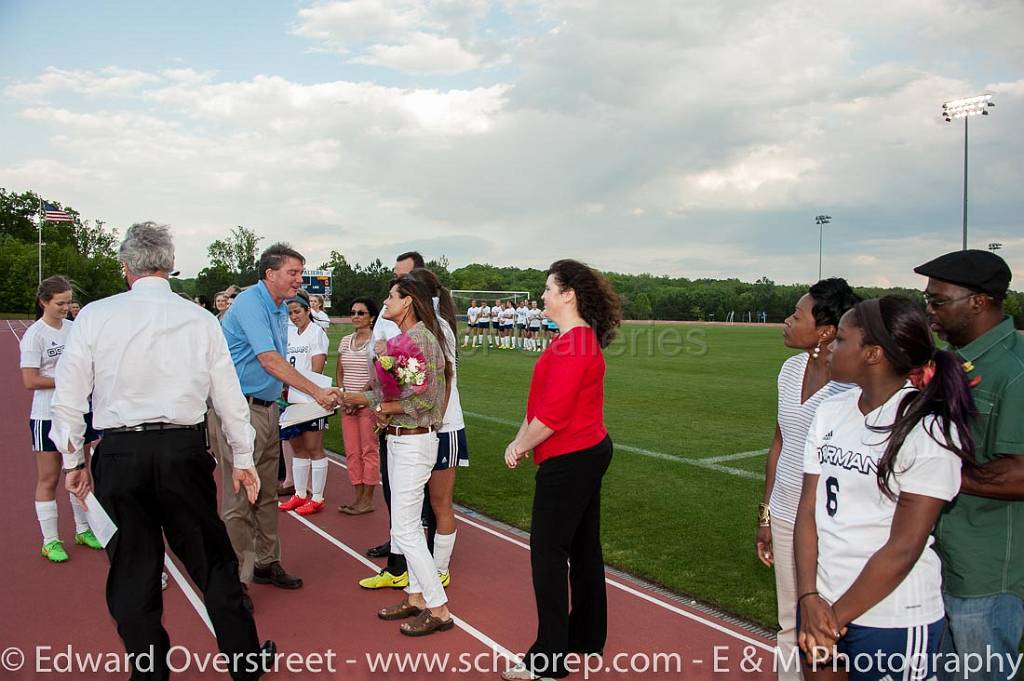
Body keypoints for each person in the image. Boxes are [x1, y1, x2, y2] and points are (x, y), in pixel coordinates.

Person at [50, 222, 274, 680]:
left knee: (133, 567)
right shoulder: (200, 319)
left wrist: (73, 461)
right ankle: (245, 662)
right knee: (212, 560)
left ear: (125, 268)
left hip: (118, 452)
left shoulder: (94, 315)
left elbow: (69, 397)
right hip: (182, 450)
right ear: (171, 266)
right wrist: (245, 459)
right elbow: (228, 396)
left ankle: (149, 670)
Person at [794, 296, 974, 681]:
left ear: (873, 354)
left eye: (841, 340)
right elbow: (807, 510)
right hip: (819, 601)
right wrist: (809, 597)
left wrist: (832, 620)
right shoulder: (829, 411)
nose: (829, 347)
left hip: (889, 617)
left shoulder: (927, 430)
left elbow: (904, 546)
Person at [502, 259, 620, 680]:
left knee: (548, 555)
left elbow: (551, 418)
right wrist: (521, 435)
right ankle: (584, 636)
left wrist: (518, 445)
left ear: (568, 294)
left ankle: (548, 659)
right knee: (584, 548)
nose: (543, 296)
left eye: (549, 288)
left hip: (572, 457)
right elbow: (538, 405)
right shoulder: (569, 340)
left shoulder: (576, 345)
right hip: (583, 451)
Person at [913, 250, 1024, 681]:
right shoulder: (956, 363)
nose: (930, 311)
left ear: (979, 302)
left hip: (984, 574)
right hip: (941, 559)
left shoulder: (1014, 371)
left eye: (939, 302)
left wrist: (928, 474)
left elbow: (1019, 473)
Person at [212, 243, 339, 605]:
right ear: (270, 273)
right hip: (240, 410)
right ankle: (237, 579)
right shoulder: (252, 303)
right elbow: (269, 359)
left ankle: (267, 562)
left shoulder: (280, 307)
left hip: (267, 409)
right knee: (240, 496)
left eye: (301, 273)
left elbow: (276, 363)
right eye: (293, 273)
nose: (299, 280)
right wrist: (316, 391)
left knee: (266, 491)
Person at [756, 278, 861, 679]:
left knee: (831, 624)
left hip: (829, 522)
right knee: (790, 621)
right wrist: (765, 516)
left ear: (826, 331)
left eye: (796, 315)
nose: (786, 320)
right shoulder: (789, 369)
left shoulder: (850, 387)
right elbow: (779, 442)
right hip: (785, 513)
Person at [342, 273, 454, 636]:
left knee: (406, 528)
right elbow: (395, 391)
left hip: (414, 440)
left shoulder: (419, 340)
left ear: (408, 301)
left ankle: (438, 608)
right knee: (400, 525)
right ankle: (416, 597)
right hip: (400, 439)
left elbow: (422, 399)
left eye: (391, 296)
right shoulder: (405, 340)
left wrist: (375, 404)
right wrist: (368, 400)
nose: (385, 302)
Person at [19, 275, 103, 562]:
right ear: (44, 302)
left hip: (79, 412)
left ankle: (82, 529)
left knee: (79, 471)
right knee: (50, 478)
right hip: (47, 415)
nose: (66, 307)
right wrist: (65, 380)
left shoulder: (73, 329)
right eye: (60, 303)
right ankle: (51, 540)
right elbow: (30, 380)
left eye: (68, 302)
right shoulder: (35, 335)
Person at [361, 250, 423, 586]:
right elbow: (381, 368)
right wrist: (377, 402)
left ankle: (427, 594)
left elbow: (424, 395)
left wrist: (385, 407)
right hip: (394, 424)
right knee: (398, 505)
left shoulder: (425, 332)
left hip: (415, 430)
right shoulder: (392, 324)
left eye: (397, 285)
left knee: (409, 514)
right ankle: (401, 571)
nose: (389, 293)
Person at [410, 267, 468, 588]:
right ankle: (421, 565)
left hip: (444, 429)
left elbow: (444, 382)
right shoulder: (417, 328)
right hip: (419, 429)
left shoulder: (439, 328)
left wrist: (433, 424)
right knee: (415, 504)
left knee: (439, 503)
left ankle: (440, 568)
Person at [277, 289, 331, 516]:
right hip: (291, 399)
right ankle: (300, 493)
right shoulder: (289, 334)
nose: (294, 316)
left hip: (311, 397)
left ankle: (317, 497)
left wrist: (300, 385)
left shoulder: (316, 333)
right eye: (290, 313)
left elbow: (317, 367)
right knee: (297, 447)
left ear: (308, 310)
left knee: (314, 448)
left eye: (298, 311)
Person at [336, 296, 381, 514]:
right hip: (347, 405)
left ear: (372, 317)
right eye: (353, 312)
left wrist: (359, 397)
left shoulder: (377, 342)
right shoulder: (345, 341)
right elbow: (340, 371)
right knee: (352, 452)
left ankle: (367, 499)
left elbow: (377, 375)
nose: (355, 316)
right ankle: (358, 497)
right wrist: (345, 396)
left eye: (360, 313)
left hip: (368, 404)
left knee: (368, 450)